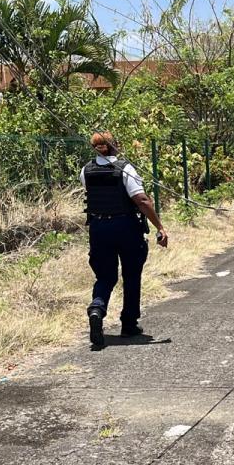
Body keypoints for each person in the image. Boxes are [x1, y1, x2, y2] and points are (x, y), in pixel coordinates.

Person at [80, 132, 168, 348]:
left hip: (98, 228)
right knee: (131, 274)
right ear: (114, 146)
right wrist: (160, 226)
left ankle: (97, 309)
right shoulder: (125, 168)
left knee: (105, 275)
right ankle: (128, 323)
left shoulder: (86, 170)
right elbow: (141, 200)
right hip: (126, 227)